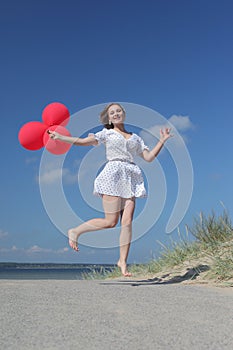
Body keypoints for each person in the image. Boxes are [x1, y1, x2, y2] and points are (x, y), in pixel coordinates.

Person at [48, 103, 172, 276]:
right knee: (110, 221)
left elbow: (149, 157)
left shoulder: (135, 137)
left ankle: (122, 261)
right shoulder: (106, 133)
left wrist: (162, 141)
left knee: (127, 222)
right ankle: (75, 231)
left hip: (129, 177)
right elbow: (83, 141)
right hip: (112, 176)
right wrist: (60, 137)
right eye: (112, 112)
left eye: (118, 111)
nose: (116, 114)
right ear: (108, 118)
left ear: (124, 113)